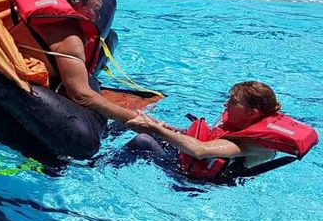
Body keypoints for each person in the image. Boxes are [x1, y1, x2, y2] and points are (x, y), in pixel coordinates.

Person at [9, 0, 140, 155]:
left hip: (45, 68)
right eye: (95, 9)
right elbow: (81, 95)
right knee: (89, 137)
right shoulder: (69, 37)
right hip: (32, 89)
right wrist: (134, 118)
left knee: (109, 39)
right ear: (78, 4)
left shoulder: (48, 15)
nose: (98, 16)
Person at [125, 81, 318, 180]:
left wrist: (153, 130)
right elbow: (205, 137)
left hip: (197, 181)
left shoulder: (253, 144)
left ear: (252, 113)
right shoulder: (238, 119)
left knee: (143, 140)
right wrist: (166, 128)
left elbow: (200, 151)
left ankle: (99, 166)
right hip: (192, 157)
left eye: (233, 102)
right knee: (130, 120)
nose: (226, 104)